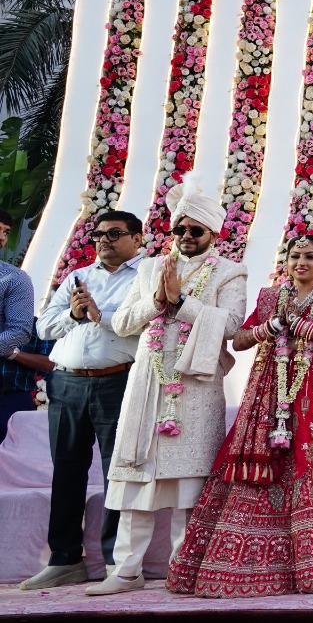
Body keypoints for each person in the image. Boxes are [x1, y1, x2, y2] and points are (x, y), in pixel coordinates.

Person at [166, 234, 313, 596]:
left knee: (310, 460)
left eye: (309, 256)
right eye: (295, 256)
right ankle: (253, 559)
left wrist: (304, 329)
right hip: (270, 389)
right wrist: (270, 327)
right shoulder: (270, 297)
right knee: (267, 457)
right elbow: (239, 340)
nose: (301, 262)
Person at [88, 180, 248, 596]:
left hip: (197, 386)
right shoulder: (149, 269)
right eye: (180, 229)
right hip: (149, 382)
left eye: (196, 230)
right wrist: (158, 301)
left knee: (189, 484)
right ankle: (127, 571)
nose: (186, 236)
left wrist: (181, 303)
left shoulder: (231, 271)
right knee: (137, 475)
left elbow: (232, 326)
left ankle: (183, 568)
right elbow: (123, 322)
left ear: (214, 234)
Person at [22, 211, 146, 591]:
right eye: (98, 234)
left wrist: (98, 313)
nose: (104, 240)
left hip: (117, 381)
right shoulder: (79, 276)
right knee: (66, 471)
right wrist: (75, 315)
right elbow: (44, 327)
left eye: (114, 233)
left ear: (137, 239)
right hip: (66, 382)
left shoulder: (147, 275)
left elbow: (141, 320)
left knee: (117, 473)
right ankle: (65, 560)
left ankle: (117, 563)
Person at [0, 207, 41, 442]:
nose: (2, 238)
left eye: (6, 232)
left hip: (6, 389)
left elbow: (19, 331)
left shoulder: (14, 279)